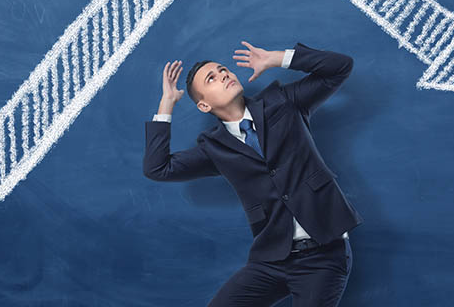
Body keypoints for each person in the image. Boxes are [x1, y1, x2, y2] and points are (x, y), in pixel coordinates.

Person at [143, 40, 363, 306]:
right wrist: (167, 103)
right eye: (211, 78)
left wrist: (277, 58)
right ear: (203, 106)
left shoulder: (282, 102)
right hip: (272, 260)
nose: (223, 75)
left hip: (324, 257)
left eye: (223, 70)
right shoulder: (214, 148)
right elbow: (158, 168)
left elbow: (340, 67)